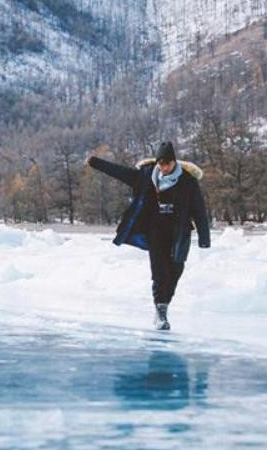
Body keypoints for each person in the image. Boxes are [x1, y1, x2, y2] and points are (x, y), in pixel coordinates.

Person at [88, 140, 211, 329]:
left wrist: (204, 239)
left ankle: (164, 305)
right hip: (155, 232)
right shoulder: (146, 175)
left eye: (167, 164)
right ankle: (161, 313)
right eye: (160, 164)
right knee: (160, 272)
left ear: (174, 162)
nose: (163, 168)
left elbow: (199, 211)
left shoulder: (188, 181)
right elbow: (121, 172)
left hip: (179, 233)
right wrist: (96, 162)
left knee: (176, 271)